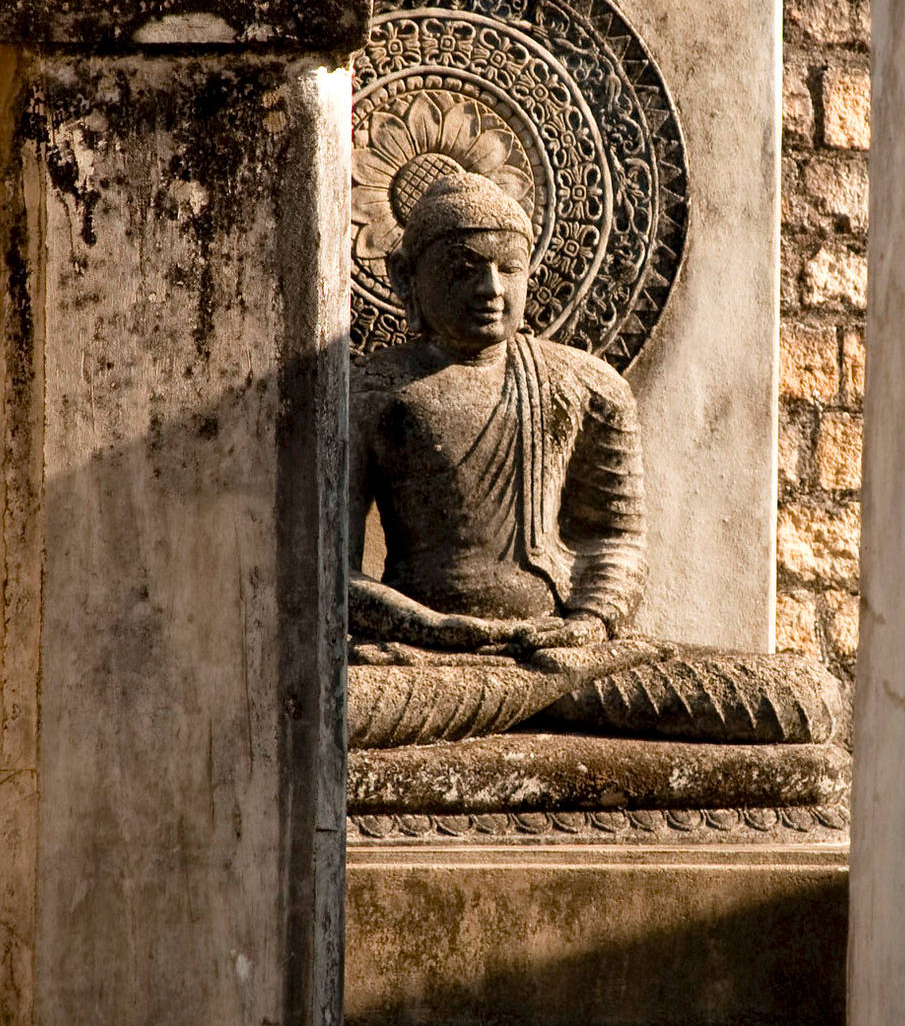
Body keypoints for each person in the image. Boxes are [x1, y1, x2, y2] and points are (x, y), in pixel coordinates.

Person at [346, 170, 839, 747]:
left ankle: (520, 699)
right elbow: (335, 577)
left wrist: (589, 623)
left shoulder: (585, 385)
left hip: (563, 656)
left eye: (508, 268)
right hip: (431, 660)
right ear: (407, 278)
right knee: (338, 704)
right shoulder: (372, 394)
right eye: (462, 269)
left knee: (802, 696)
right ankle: (511, 697)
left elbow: (614, 538)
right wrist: (435, 628)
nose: (489, 288)